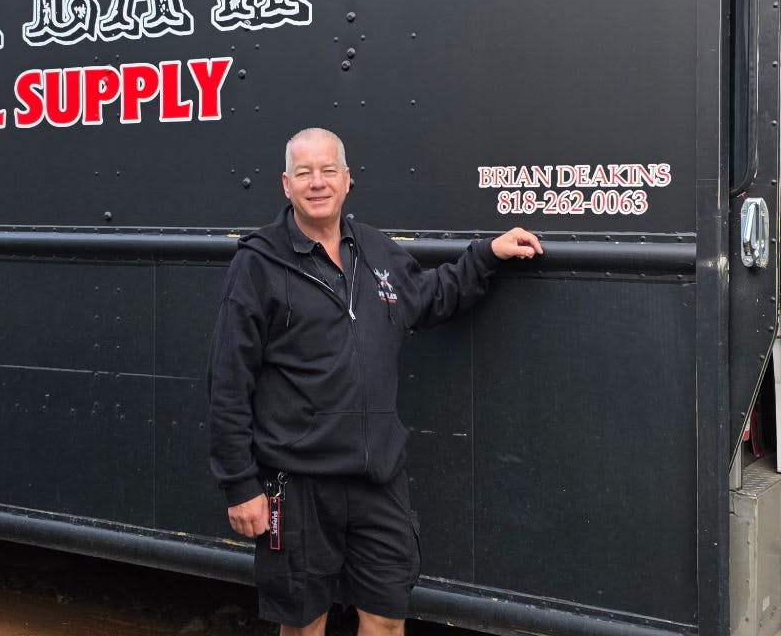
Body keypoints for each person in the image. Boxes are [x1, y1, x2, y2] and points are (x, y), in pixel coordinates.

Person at [207, 127, 542, 636]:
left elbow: (431, 295)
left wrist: (488, 254)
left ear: (347, 179)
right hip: (298, 483)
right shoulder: (258, 263)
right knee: (303, 627)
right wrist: (240, 485)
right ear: (286, 184)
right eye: (304, 173)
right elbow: (228, 380)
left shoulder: (375, 250)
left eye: (328, 171)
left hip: (378, 480)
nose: (317, 183)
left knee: (385, 621)